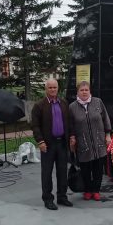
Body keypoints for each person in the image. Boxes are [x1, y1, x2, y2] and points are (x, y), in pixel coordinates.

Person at [31, 78, 73, 210]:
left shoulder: (64, 103)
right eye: (50, 87)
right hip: (47, 145)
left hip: (62, 144)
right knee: (47, 173)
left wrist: (71, 136)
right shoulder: (39, 106)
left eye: (55, 87)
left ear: (58, 88)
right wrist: (40, 141)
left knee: (62, 171)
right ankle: (48, 199)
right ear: (46, 89)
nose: (53, 90)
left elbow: (69, 122)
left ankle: (62, 196)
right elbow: (35, 126)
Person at [69, 81, 112, 201]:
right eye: (81, 90)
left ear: (90, 91)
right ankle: (87, 190)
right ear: (77, 92)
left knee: (98, 168)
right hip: (83, 143)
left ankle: (96, 190)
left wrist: (108, 135)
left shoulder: (98, 102)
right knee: (85, 169)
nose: (84, 92)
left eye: (86, 90)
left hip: (99, 141)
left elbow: (105, 118)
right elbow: (70, 125)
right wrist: (72, 137)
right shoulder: (72, 107)